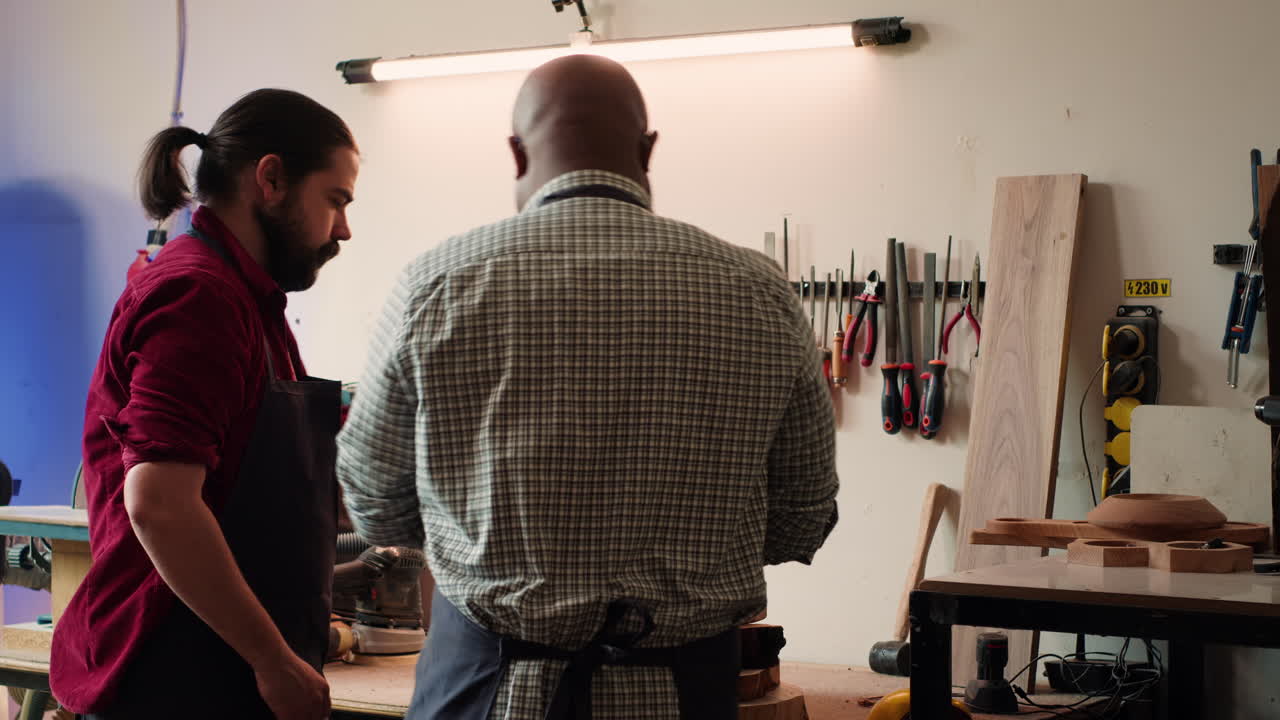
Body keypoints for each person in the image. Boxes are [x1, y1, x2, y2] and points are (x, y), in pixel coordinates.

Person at [337, 55, 837, 720]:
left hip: (486, 684)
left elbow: (373, 503)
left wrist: (478, 541)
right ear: (648, 149)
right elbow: (802, 517)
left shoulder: (436, 283)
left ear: (517, 154)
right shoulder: (760, 290)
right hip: (685, 690)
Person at [51, 88, 359, 720]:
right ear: (270, 180)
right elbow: (161, 506)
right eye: (336, 200)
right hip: (174, 670)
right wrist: (273, 660)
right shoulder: (199, 297)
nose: (345, 229)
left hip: (218, 662)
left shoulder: (251, 302)